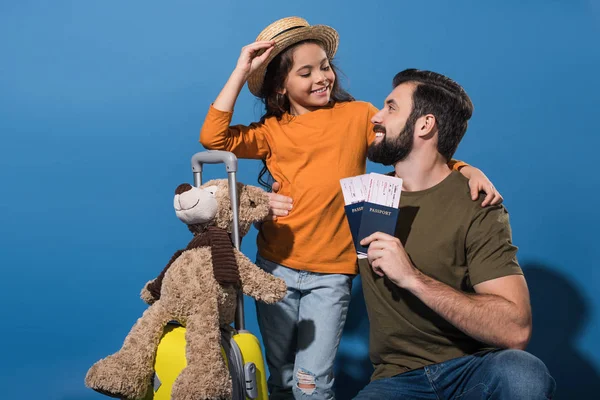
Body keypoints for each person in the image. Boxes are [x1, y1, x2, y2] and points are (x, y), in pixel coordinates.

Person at [199, 17, 501, 400]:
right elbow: (213, 138)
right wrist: (242, 72)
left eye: (325, 66)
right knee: (281, 374)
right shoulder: (272, 131)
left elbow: (414, 144)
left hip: (332, 276)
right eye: (306, 72)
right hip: (275, 266)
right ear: (281, 85)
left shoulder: (357, 115)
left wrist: (467, 169)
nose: (322, 77)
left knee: (312, 382)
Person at [353, 68, 556, 399]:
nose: (376, 116)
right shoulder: (365, 198)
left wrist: (412, 278)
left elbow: (514, 330)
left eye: (391, 107)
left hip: (471, 371)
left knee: (522, 373)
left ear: (424, 125)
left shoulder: (477, 203)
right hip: (396, 380)